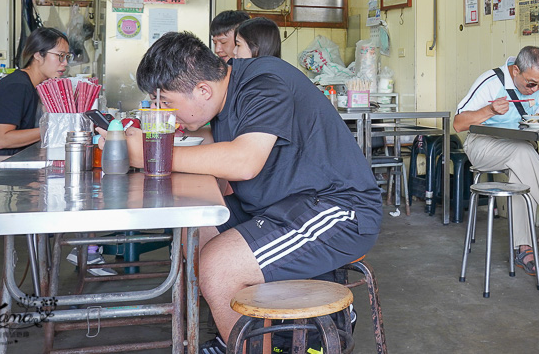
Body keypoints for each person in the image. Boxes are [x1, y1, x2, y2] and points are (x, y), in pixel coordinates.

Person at [128, 32, 382, 354]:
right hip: (280, 207)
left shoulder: (264, 82)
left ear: (203, 90)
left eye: (166, 103)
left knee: (218, 266)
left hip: (338, 208)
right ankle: (242, 338)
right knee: (197, 226)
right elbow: (216, 156)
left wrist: (153, 154)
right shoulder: (224, 95)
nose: (161, 111)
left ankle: (299, 330)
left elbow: (244, 161)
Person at [453, 46, 539, 276]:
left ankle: (524, 248)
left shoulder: (537, 84)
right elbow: (458, 123)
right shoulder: (490, 81)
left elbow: (538, 114)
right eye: (531, 84)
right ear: (516, 70)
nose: (536, 89)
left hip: (518, 149)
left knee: (521, 164)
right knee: (522, 153)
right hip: (481, 145)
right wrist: (489, 109)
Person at [0, 27, 70, 160]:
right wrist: (52, 130)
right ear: (38, 54)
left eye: (67, 57)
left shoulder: (31, 85)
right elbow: (2, 139)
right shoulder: (17, 86)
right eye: (61, 56)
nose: (65, 63)